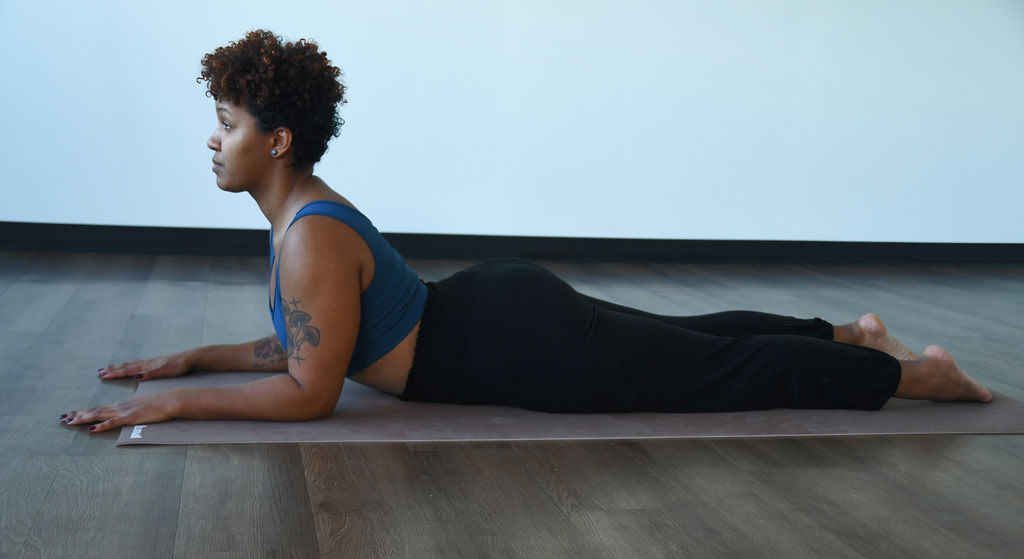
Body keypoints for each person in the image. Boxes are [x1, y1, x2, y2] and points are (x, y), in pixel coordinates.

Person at [61, 30, 992, 434]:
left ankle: (916, 376)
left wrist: (175, 407)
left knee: (711, 372)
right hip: (497, 311)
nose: (213, 139)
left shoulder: (306, 234)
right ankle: (850, 334)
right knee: (692, 339)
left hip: (519, 341)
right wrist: (193, 359)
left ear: (279, 137)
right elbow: (313, 344)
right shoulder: (304, 220)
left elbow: (313, 393)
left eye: (227, 122)